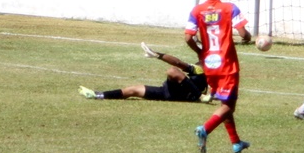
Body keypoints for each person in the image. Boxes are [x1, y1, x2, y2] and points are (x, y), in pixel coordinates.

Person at [185, 0, 253, 153]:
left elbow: (188, 37)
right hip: (227, 64)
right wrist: (248, 37)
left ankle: (236, 142)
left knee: (225, 103)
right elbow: (243, 33)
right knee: (228, 106)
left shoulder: (197, 10)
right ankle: (204, 129)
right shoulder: (230, 8)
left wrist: (200, 52)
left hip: (210, 64)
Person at [78, 42, 211, 103]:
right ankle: (97, 95)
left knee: (172, 71)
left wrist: (158, 55)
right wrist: (157, 55)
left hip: (181, 94)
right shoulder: (204, 71)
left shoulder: (202, 70)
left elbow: (177, 63)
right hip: (168, 93)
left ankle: (200, 97)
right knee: (132, 90)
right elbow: (179, 63)